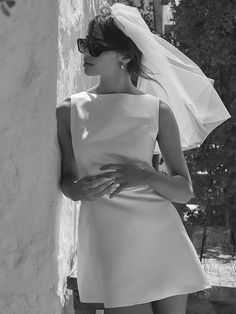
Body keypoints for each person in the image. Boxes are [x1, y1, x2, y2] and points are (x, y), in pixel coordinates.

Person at [56, 2, 230, 314]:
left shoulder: (156, 110)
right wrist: (77, 190)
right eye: (85, 44)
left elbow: (184, 189)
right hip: (112, 242)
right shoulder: (69, 110)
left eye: (95, 47)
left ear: (125, 55)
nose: (86, 54)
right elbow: (68, 179)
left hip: (161, 238)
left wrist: (147, 176)